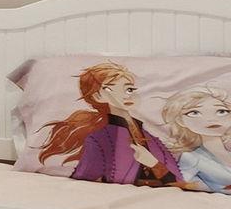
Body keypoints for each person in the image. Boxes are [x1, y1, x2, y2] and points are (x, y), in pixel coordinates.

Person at [35, 61, 182, 186]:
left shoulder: (147, 135)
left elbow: (179, 181)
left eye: (130, 89)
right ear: (98, 96)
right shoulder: (101, 139)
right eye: (113, 89)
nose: (126, 95)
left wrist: (154, 164)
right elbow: (82, 181)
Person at [162, 86, 231, 194]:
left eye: (221, 111)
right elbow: (182, 183)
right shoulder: (190, 158)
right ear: (181, 121)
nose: (211, 119)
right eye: (194, 113)